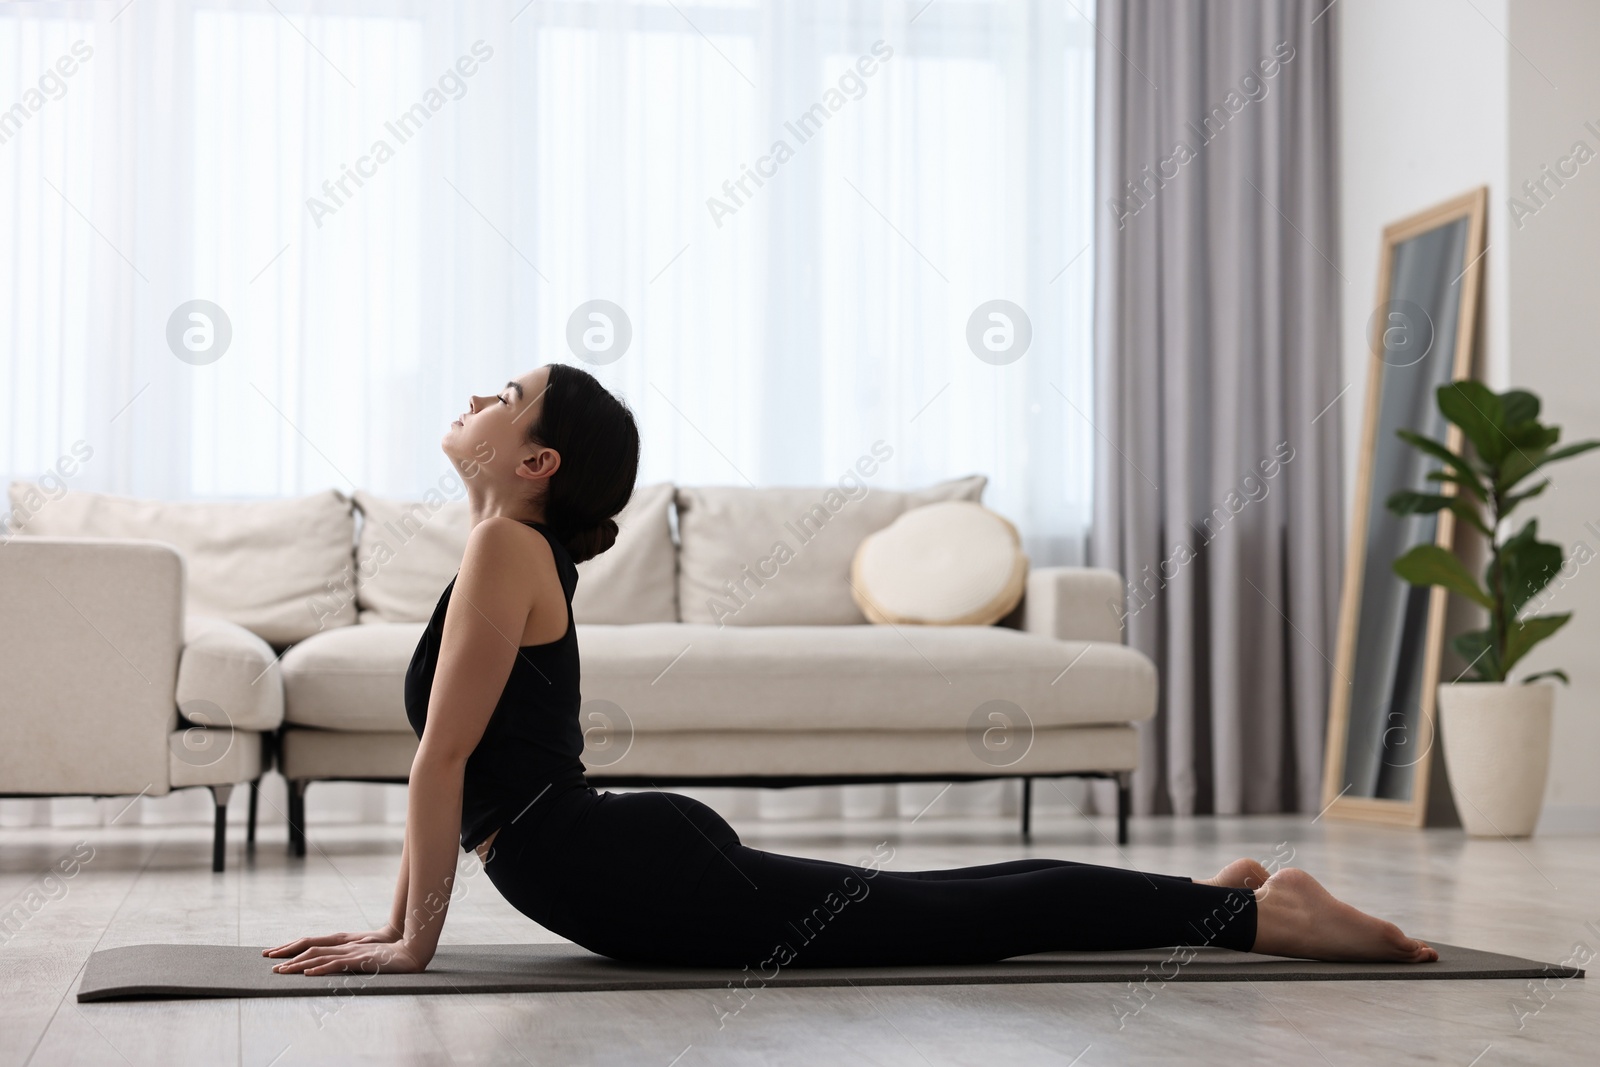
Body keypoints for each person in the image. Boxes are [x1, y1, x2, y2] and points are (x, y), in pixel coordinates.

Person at [266, 363, 1439, 976]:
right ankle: (1210, 902)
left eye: (505, 392)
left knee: (949, 923)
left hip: (609, 863)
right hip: (604, 858)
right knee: (944, 904)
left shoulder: (500, 544)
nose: (477, 396)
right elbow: (453, 772)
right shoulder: (509, 543)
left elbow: (443, 761)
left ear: (534, 456)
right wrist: (395, 930)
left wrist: (409, 940)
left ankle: (1251, 914)